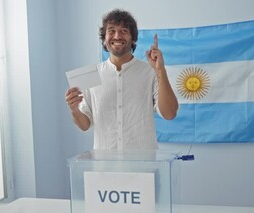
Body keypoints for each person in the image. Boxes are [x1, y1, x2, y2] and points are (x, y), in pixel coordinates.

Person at [65, 9, 178, 150]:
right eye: (111, 31)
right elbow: (85, 125)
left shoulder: (151, 72)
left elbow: (169, 113)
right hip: (104, 166)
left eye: (124, 31)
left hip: (143, 164)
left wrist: (160, 70)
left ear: (133, 39)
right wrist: (74, 110)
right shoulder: (90, 74)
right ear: (104, 38)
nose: (117, 36)